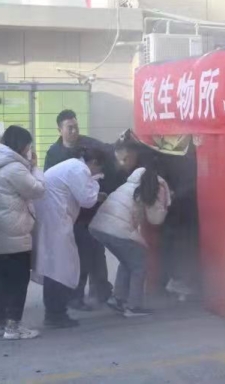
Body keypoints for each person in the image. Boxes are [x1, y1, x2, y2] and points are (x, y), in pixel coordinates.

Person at [44, 110, 121, 310]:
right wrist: (93, 189)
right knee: (81, 257)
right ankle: (74, 296)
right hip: (70, 214)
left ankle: (101, 291)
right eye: (69, 128)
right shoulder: (54, 153)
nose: (74, 131)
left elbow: (108, 153)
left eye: (76, 126)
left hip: (92, 212)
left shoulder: (89, 144)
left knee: (97, 252)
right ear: (59, 130)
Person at [89, 140, 171, 317]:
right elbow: (155, 219)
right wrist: (166, 203)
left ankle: (118, 299)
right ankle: (133, 306)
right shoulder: (158, 184)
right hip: (117, 228)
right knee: (139, 263)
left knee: (128, 260)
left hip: (99, 226)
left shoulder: (133, 181)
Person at [0, 125, 46, 340]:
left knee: (2, 278)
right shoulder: (14, 167)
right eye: (28, 145)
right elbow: (37, 190)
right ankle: (13, 327)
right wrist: (35, 168)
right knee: (18, 280)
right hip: (14, 232)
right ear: (21, 145)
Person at [33, 148, 106, 328]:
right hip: (55, 221)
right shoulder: (80, 169)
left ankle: (56, 311)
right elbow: (87, 200)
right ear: (94, 162)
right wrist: (95, 182)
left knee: (56, 266)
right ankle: (55, 314)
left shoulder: (72, 166)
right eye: (99, 169)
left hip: (52, 218)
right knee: (60, 268)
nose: (98, 172)